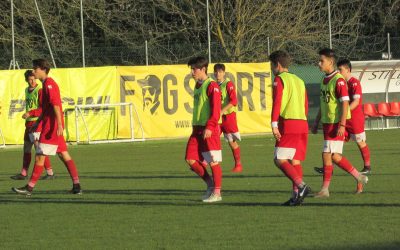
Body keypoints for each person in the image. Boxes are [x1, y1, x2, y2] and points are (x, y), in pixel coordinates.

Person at [12, 59, 82, 196]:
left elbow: (56, 106)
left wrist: (60, 125)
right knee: (63, 154)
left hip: (52, 127)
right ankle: (77, 185)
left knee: (39, 156)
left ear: (43, 69)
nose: (33, 71)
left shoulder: (49, 85)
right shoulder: (45, 85)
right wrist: (38, 122)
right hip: (50, 125)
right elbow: (46, 108)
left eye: (35, 69)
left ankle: (29, 188)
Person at [311, 48, 368, 198]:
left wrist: (342, 125)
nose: (319, 63)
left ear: (330, 62)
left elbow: (345, 104)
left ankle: (324, 190)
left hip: (336, 124)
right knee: (335, 156)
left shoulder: (339, 80)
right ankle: (358, 176)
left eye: (321, 60)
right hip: (327, 123)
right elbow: (324, 103)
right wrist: (316, 121)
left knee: (326, 154)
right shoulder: (325, 80)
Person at [269, 50, 311, 206]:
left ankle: (301, 186)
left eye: (272, 65)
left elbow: (277, 102)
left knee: (279, 159)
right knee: (295, 161)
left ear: (277, 65)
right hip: (302, 123)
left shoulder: (279, 80)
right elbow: (306, 105)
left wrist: (274, 124)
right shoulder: (299, 80)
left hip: (289, 123)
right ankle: (296, 196)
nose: (272, 69)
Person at [185, 56, 223, 203]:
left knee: (213, 161)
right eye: (191, 69)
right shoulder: (198, 85)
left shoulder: (212, 85)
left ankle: (217, 193)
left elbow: (216, 109)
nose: (192, 72)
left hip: (209, 129)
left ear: (203, 69)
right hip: (197, 129)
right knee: (190, 159)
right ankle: (210, 185)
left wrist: (210, 126)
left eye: (194, 69)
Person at [10, 70, 55, 180]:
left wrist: (30, 113)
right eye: (30, 79)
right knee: (26, 148)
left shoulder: (39, 90)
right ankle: (23, 173)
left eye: (34, 79)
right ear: (26, 80)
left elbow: (42, 109)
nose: (32, 81)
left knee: (39, 149)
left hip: (36, 123)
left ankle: (50, 173)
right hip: (28, 123)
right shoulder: (27, 90)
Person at [213, 63, 242, 173]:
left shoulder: (228, 84)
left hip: (228, 116)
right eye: (216, 71)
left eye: (220, 71)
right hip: (217, 117)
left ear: (224, 73)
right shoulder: (214, 85)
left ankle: (238, 165)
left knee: (231, 141)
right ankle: (208, 162)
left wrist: (222, 110)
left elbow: (234, 101)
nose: (218, 74)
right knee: (213, 138)